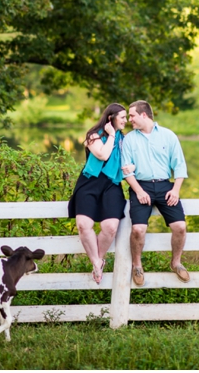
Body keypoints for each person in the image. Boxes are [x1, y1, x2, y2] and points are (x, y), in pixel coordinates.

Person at [120, 99, 190, 286]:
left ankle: (175, 262)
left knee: (180, 227)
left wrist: (175, 190)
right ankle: (137, 265)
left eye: (132, 115)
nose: (129, 120)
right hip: (140, 186)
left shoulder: (168, 136)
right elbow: (126, 171)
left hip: (165, 187)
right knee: (138, 229)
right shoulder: (129, 139)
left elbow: (180, 166)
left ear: (144, 115)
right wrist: (139, 191)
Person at [67, 102, 128, 285]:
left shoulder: (124, 140)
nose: (126, 120)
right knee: (84, 225)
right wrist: (110, 135)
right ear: (111, 118)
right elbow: (102, 155)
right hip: (89, 183)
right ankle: (97, 262)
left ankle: (97, 260)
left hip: (111, 185)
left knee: (110, 227)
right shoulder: (93, 136)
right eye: (123, 117)